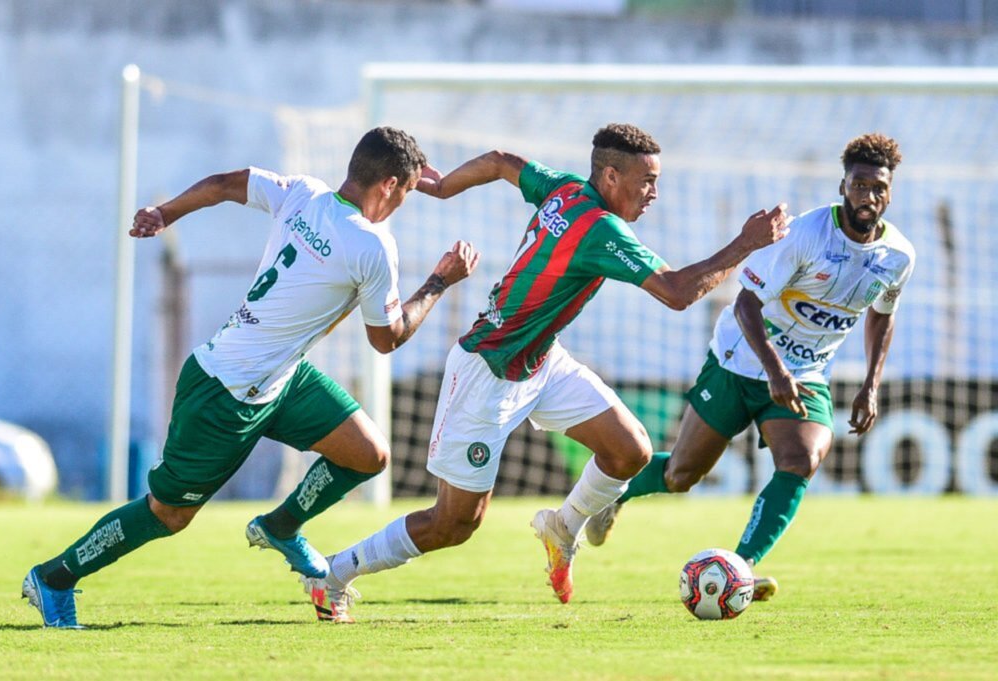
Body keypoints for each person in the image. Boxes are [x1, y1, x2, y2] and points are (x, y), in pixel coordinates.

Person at [300, 123, 792, 622]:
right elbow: (677, 292)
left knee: (631, 451)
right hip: (486, 373)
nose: (654, 194)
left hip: (540, 361)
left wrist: (446, 186)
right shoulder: (601, 229)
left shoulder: (564, 188)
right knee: (452, 525)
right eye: (646, 181)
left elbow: (499, 160)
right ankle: (332, 575)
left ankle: (562, 528)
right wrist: (746, 243)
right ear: (611, 176)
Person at [21, 126, 480, 629]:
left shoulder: (304, 193)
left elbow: (224, 183)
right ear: (390, 185)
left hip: (279, 376)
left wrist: (164, 213)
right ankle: (54, 577)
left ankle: (281, 526)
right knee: (167, 514)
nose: (404, 204)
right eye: (409, 192)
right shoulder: (371, 246)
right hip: (225, 391)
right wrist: (440, 281)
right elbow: (387, 338)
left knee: (368, 454)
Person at [584, 132, 915, 602]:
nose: (868, 197)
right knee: (681, 475)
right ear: (843, 186)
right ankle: (612, 493)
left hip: (805, 374)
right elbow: (745, 304)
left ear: (891, 191)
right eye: (859, 185)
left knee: (801, 460)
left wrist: (871, 385)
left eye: (878, 188)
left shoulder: (899, 255)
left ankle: (741, 566)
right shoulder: (805, 234)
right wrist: (775, 370)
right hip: (739, 360)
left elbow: (883, 313)